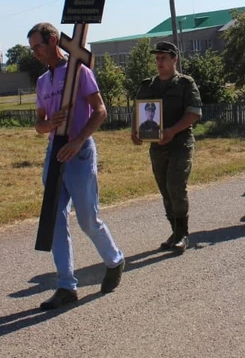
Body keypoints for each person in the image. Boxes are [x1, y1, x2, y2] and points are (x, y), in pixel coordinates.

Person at [28, 22, 124, 310]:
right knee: (54, 220)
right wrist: (49, 124)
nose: (36, 53)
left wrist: (79, 140)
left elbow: (101, 110)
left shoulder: (79, 71)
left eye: (39, 46)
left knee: (87, 219)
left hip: (79, 153)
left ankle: (115, 260)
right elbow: (38, 124)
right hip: (55, 154)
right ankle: (66, 285)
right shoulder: (43, 81)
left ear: (54, 39)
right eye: (32, 49)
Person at [132, 41, 202, 253]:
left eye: (163, 58)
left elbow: (194, 113)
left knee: (175, 187)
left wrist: (172, 130)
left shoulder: (185, 84)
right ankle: (174, 230)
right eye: (157, 58)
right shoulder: (148, 86)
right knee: (165, 190)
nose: (159, 62)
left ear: (174, 59)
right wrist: (135, 132)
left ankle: (182, 234)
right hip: (157, 147)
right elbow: (138, 113)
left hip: (180, 144)